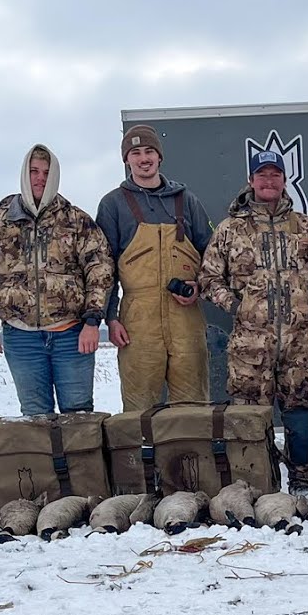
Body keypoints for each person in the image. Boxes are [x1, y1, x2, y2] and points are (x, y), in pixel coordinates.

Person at [199, 150, 308, 505]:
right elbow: (210, 277)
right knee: (248, 419)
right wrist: (237, 306)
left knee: (303, 416)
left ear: (284, 180)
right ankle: (256, 485)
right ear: (251, 181)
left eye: (275, 174)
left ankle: (304, 483)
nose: (269, 181)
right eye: (262, 175)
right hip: (249, 347)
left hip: (299, 345)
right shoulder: (231, 229)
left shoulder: (307, 227)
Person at [0, 144, 113, 415]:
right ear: (24, 174)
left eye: (47, 172)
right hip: (21, 339)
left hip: (71, 335)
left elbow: (100, 269)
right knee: (35, 417)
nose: (40, 178)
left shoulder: (76, 220)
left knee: (79, 416)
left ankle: (81, 460)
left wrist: (93, 320)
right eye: (34, 171)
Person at [96, 125, 215, 411]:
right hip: (138, 320)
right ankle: (140, 457)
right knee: (139, 409)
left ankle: (192, 457)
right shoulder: (113, 204)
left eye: (149, 151)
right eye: (135, 153)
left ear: (160, 157)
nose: (143, 158)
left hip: (185, 318)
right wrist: (110, 318)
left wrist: (199, 286)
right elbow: (104, 269)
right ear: (127, 160)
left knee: (193, 406)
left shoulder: (186, 200)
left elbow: (213, 256)